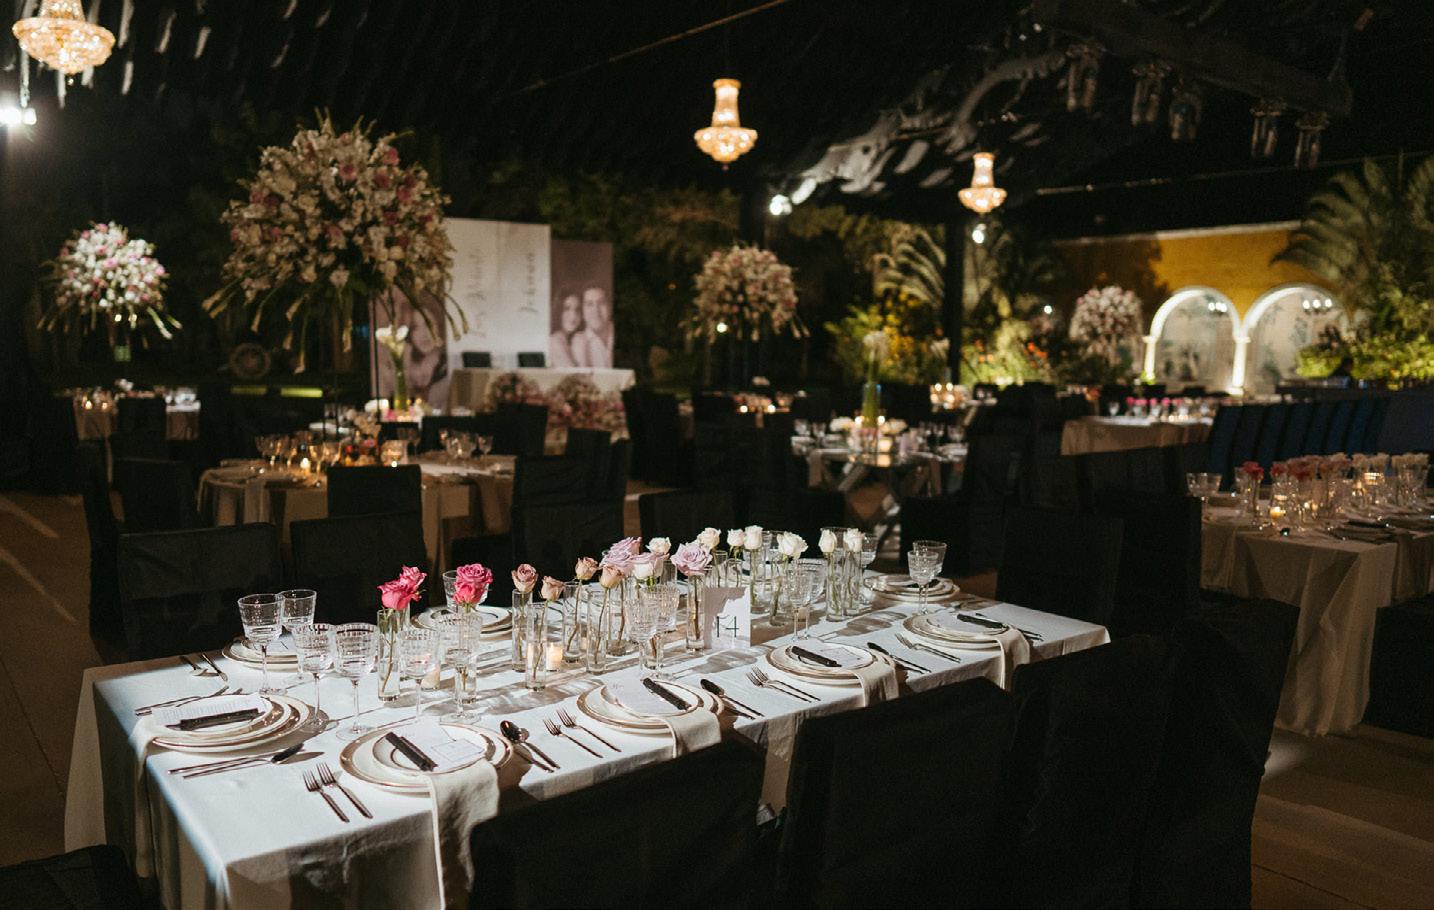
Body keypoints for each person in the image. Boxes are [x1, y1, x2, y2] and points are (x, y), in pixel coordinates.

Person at [572, 285, 614, 368]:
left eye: (601, 303)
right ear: (582, 311)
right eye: (589, 304)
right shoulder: (578, 343)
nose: (596, 310)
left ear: (609, 307)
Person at [550, 287, 583, 367]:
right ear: (558, 311)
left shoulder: (570, 341)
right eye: (567, 309)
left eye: (577, 310)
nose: (573, 315)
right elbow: (573, 373)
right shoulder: (555, 341)